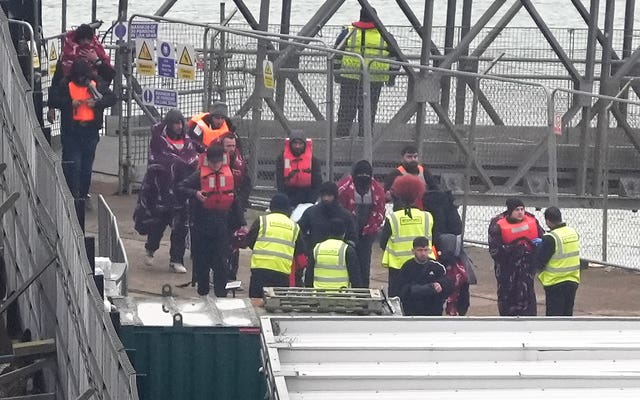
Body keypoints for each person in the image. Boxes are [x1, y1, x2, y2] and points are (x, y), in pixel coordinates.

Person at [47, 59, 116, 226]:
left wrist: (97, 102)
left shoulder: (96, 84)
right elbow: (54, 98)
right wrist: (69, 103)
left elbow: (112, 97)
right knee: (74, 165)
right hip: (72, 131)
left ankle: (83, 194)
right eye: (77, 78)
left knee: (86, 167)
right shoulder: (65, 84)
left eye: (82, 78)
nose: (80, 81)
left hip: (90, 131)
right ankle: (74, 194)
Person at [133, 109, 199, 274]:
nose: (179, 126)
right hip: (161, 192)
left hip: (181, 192)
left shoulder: (188, 141)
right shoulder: (158, 140)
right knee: (157, 225)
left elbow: (193, 158)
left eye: (180, 123)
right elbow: (159, 160)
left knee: (180, 228)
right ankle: (151, 249)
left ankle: (176, 260)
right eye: (175, 123)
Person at [178, 145, 245, 297]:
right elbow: (181, 187)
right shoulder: (199, 175)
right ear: (208, 161)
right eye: (213, 162)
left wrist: (241, 223)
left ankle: (221, 294)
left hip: (221, 224)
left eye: (218, 162)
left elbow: (234, 199)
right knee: (201, 260)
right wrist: (195, 193)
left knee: (221, 261)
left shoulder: (228, 176)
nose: (216, 165)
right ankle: (203, 292)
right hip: (201, 223)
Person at [334, 7, 397, 138]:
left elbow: (336, 56)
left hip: (349, 77)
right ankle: (365, 138)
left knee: (346, 110)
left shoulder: (348, 32)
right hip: (374, 79)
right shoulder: (385, 35)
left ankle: (341, 138)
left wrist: (337, 75)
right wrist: (392, 77)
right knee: (368, 112)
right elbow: (396, 59)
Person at [47, 23, 115, 124]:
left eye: (88, 40)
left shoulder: (99, 55)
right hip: (70, 118)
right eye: (82, 40)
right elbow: (56, 82)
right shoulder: (66, 58)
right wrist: (52, 107)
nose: (85, 43)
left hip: (93, 118)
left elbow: (110, 76)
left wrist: (96, 61)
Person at [380, 174, 435, 297]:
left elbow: (383, 243)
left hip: (398, 268)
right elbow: (433, 239)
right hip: (424, 265)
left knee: (397, 303)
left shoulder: (392, 218)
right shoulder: (427, 217)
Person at [488, 198, 544, 316]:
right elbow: (495, 251)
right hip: (508, 271)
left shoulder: (532, 220)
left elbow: (542, 239)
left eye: (522, 209)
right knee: (507, 299)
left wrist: (537, 247)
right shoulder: (497, 225)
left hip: (527, 268)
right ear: (510, 211)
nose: (520, 212)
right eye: (517, 210)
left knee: (528, 298)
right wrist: (513, 249)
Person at [337, 160, 386, 287]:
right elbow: (339, 212)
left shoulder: (378, 191)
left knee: (364, 265)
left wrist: (369, 229)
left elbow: (380, 212)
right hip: (347, 232)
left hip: (367, 233)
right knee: (347, 264)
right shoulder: (343, 189)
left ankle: (363, 292)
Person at [247, 193, 305, 299]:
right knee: (277, 303)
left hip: (260, 269)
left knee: (256, 301)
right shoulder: (295, 227)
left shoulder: (262, 221)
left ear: (271, 206)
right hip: (282, 272)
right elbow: (299, 251)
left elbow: (250, 241)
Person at [535, 206, 581, 316]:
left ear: (547, 221)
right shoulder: (573, 232)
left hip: (555, 283)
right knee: (567, 314)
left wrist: (539, 247)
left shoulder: (550, 238)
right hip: (572, 280)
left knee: (554, 318)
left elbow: (540, 262)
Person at [396, 237, 453, 316]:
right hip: (412, 311)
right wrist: (418, 290)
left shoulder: (437, 266)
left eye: (425, 250)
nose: (423, 253)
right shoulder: (407, 267)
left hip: (433, 311)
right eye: (419, 250)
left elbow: (448, 283)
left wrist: (440, 285)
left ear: (429, 250)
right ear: (413, 251)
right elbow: (401, 289)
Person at [298, 181, 358, 256]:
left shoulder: (345, 215)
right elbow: (299, 231)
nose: (326, 198)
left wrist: (347, 252)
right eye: (324, 195)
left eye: (329, 195)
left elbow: (352, 238)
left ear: (335, 196)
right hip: (315, 256)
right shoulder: (311, 212)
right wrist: (308, 247)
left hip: (338, 258)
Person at [305, 218, 362, 289]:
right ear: (344, 233)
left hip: (319, 295)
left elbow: (309, 275)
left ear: (329, 232)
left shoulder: (317, 248)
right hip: (341, 295)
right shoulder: (347, 250)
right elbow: (355, 278)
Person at [275, 132, 323, 207]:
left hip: (307, 195)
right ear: (290, 144)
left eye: (300, 143)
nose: (297, 146)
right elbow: (280, 181)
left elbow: (317, 183)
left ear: (305, 145)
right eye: (295, 143)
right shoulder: (282, 159)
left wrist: (310, 202)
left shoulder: (313, 160)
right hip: (288, 194)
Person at [383, 145, 433, 209]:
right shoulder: (395, 174)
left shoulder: (424, 172)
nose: (413, 159)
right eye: (409, 157)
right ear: (402, 159)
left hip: (424, 209)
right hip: (401, 209)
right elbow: (386, 195)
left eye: (415, 157)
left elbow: (434, 190)